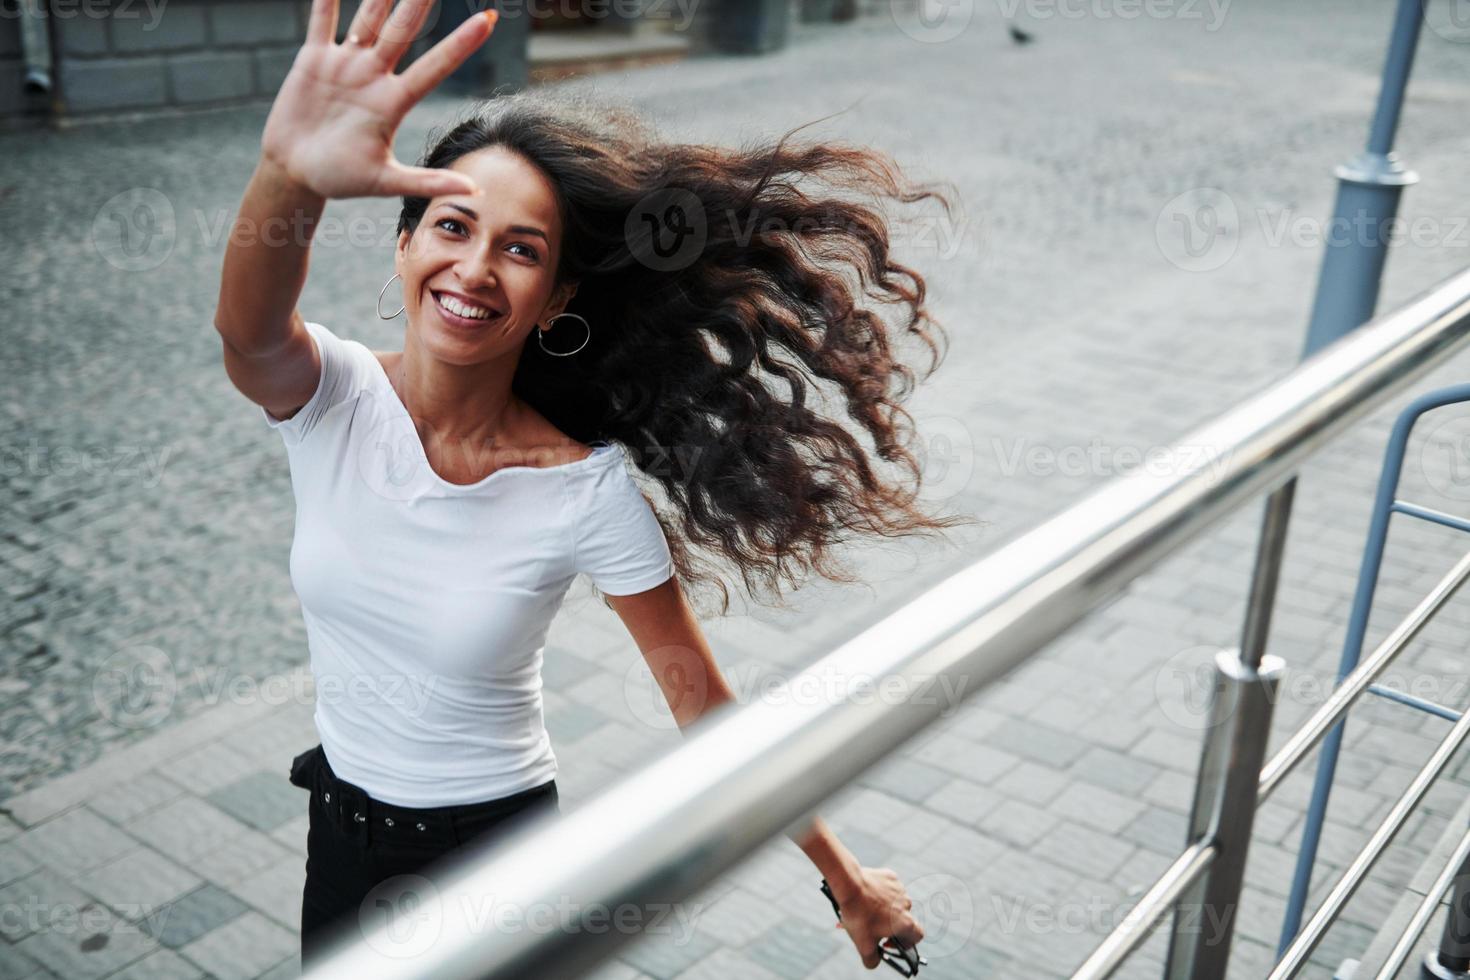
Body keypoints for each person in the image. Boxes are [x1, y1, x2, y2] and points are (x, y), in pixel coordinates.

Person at [214, 0, 969, 970]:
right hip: (341, 836)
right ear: (403, 244)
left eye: (521, 248)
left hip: (495, 854)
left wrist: (846, 878)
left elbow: (703, 704)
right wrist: (290, 176)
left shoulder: (584, 488)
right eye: (452, 225)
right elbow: (248, 331)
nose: (475, 268)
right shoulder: (333, 398)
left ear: (558, 296)